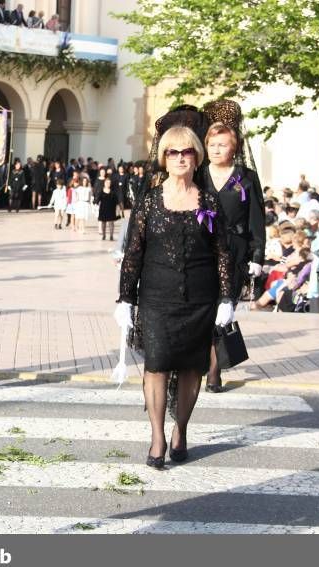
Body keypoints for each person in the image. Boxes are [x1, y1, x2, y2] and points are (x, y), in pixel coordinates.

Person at [116, 126, 233, 469]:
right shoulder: (150, 200)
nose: (180, 158)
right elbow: (133, 253)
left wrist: (227, 297)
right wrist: (124, 298)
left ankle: (180, 429)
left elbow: (222, 251)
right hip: (155, 297)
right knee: (156, 366)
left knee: (190, 368)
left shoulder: (209, 200)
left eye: (187, 152)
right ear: (163, 158)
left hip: (199, 298)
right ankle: (157, 436)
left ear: (196, 158)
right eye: (173, 152)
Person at [198, 121, 265, 393]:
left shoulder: (246, 178)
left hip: (235, 251)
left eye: (222, 144)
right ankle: (200, 362)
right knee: (203, 309)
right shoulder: (197, 174)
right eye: (212, 145)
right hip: (202, 249)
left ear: (233, 148)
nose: (216, 149)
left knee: (222, 311)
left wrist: (257, 255)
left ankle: (214, 369)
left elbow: (257, 220)